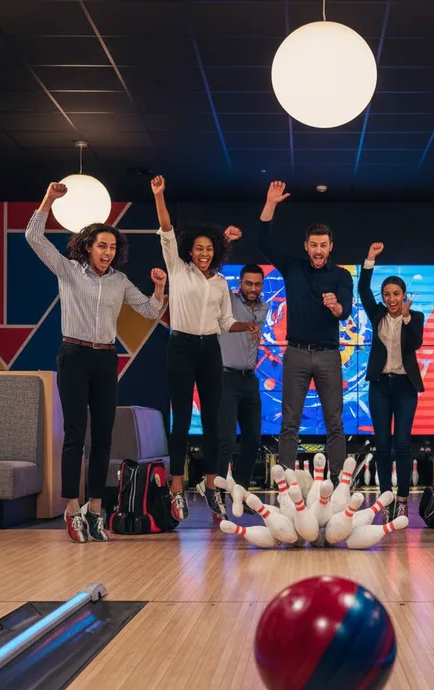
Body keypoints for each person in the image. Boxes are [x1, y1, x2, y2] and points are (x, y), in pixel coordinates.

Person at [26, 181, 166, 544]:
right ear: (88, 247)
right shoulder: (69, 270)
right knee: (75, 435)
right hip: (73, 355)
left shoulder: (119, 280)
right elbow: (34, 238)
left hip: (106, 359)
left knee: (103, 438)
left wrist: (160, 288)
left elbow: (151, 310)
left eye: (113, 246)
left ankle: (96, 510)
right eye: (102, 245)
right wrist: (49, 200)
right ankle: (72, 509)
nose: (108, 251)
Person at [150, 175, 257, 524]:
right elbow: (166, 229)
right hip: (180, 346)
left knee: (214, 422)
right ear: (189, 251)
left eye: (209, 249)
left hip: (211, 349)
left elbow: (226, 322)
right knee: (180, 420)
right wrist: (160, 195)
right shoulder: (178, 270)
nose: (204, 254)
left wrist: (247, 326)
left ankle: (212, 487)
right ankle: (177, 488)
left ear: (216, 253)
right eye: (199, 248)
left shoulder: (222, 282)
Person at [257, 181, 354, 478]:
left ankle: (339, 483)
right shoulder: (293, 268)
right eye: (313, 245)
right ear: (306, 246)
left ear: (331, 247)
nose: (318, 250)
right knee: (289, 422)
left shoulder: (341, 276)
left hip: (328, 355)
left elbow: (345, 312)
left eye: (323, 245)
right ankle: (286, 483)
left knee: (335, 422)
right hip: (296, 353)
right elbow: (264, 241)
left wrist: (335, 306)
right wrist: (271, 203)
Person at [358, 242, 424, 522]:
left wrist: (407, 317)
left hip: (406, 386)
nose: (392, 298)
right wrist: (370, 259)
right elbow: (362, 290)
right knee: (383, 445)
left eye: (396, 294)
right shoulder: (377, 316)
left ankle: (403, 499)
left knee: (403, 444)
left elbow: (416, 343)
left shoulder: (416, 317)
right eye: (387, 294)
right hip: (380, 386)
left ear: (404, 295)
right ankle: (385, 498)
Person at [217, 264, 269, 500]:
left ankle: (241, 491)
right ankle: (216, 493)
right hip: (226, 377)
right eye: (248, 283)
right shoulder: (228, 300)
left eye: (257, 284)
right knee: (226, 439)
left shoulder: (264, 307)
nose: (253, 288)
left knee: (253, 439)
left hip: (250, 380)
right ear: (240, 283)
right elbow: (212, 276)